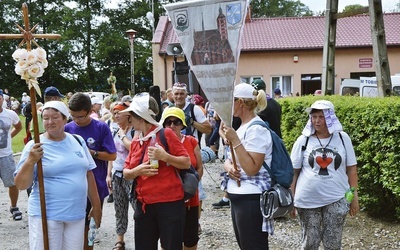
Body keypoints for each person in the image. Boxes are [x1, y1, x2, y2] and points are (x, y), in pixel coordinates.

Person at [14, 101, 102, 249]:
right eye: (46, 118)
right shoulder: (35, 145)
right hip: (47, 216)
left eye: (54, 117)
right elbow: (21, 184)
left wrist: (96, 205)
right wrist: (30, 161)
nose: (49, 122)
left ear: (65, 118)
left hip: (76, 214)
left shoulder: (77, 140)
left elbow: (88, 174)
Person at [122, 93, 190, 250]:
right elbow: (126, 171)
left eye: (132, 115)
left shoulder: (165, 133)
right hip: (144, 205)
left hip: (169, 204)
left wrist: (165, 156)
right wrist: (136, 171)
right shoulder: (136, 139)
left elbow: (186, 162)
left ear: (141, 116)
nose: (129, 119)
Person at [290, 100, 359, 249]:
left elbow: (351, 169)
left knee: (333, 243)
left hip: (337, 198)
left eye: (321, 117)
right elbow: (294, 172)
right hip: (307, 200)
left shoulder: (342, 138)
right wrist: (291, 199)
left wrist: (354, 197)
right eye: (314, 117)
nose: (317, 121)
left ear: (330, 118)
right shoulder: (303, 140)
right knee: (310, 242)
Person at [220, 83, 272, 249]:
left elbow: (251, 169)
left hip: (251, 198)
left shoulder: (257, 129)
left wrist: (235, 140)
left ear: (240, 102)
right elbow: (228, 159)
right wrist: (229, 168)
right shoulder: (242, 127)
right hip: (239, 196)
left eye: (231, 101)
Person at [65, 93, 117, 250]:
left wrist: (90, 152)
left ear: (89, 111)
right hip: (73, 187)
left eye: (80, 116)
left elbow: (112, 155)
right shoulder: (67, 128)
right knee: (73, 227)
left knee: (90, 228)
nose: (76, 120)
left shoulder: (101, 127)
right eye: (73, 116)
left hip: (95, 185)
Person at [160, 107, 204, 249]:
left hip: (190, 198)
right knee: (171, 240)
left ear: (182, 125)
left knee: (190, 239)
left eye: (176, 122)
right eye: (168, 122)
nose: (172, 126)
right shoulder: (160, 144)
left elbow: (199, 167)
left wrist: (193, 184)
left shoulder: (191, 141)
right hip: (168, 198)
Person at [106, 102, 134, 250]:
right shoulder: (113, 128)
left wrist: (123, 135)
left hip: (132, 174)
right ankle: (120, 240)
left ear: (128, 114)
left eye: (119, 112)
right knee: (119, 208)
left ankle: (144, 237)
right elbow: (112, 153)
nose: (116, 115)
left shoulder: (134, 129)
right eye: (114, 113)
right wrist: (108, 174)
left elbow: (133, 147)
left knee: (138, 208)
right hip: (117, 172)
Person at [0, 90, 23, 220]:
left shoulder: (10, 114)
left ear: (3, 99)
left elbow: (19, 127)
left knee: (12, 183)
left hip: (6, 155)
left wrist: (9, 136)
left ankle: (14, 207)